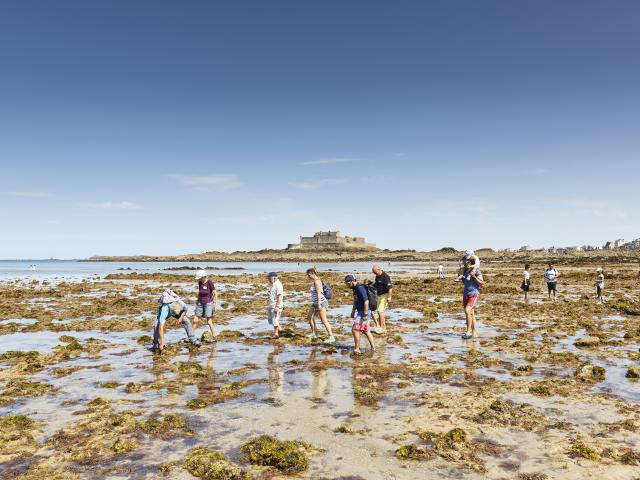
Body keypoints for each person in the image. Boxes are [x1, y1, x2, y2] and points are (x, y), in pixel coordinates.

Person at [152, 288, 199, 353]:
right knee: (156, 325)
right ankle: (155, 343)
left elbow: (185, 310)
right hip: (167, 311)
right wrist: (162, 342)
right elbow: (161, 327)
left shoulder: (181, 303)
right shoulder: (164, 309)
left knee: (186, 320)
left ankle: (193, 339)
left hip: (178, 310)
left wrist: (180, 318)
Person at [345, 274, 376, 354]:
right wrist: (353, 311)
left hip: (364, 312)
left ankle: (357, 349)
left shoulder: (360, 288)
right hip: (361, 312)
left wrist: (365, 314)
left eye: (348, 283)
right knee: (366, 331)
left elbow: (366, 301)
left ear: (353, 281)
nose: (347, 285)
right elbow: (356, 301)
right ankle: (373, 348)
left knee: (355, 329)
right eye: (346, 283)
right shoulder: (355, 289)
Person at [306, 267, 335, 343]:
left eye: (309, 275)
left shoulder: (317, 281)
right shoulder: (314, 281)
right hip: (315, 303)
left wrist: (319, 305)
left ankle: (331, 336)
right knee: (310, 317)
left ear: (313, 273)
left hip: (321, 303)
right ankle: (314, 333)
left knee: (324, 320)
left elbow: (319, 293)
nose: (308, 277)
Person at [461, 258, 484, 339]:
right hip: (465, 294)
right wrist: (461, 277)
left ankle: (468, 332)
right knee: (471, 313)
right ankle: (474, 332)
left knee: (467, 310)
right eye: (463, 261)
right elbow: (465, 283)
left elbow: (482, 283)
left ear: (470, 262)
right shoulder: (465, 270)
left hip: (474, 294)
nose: (464, 262)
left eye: (466, 261)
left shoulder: (476, 270)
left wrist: (474, 276)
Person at [193, 269, 217, 341]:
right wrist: (197, 300)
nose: (198, 279)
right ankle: (191, 336)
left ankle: (214, 336)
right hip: (200, 303)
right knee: (195, 320)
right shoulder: (200, 282)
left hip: (208, 304)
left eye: (199, 278)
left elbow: (215, 293)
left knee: (209, 321)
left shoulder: (209, 282)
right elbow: (200, 293)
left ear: (203, 276)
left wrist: (215, 305)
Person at [371, 265, 393, 334]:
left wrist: (389, 297)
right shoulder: (377, 276)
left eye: (375, 272)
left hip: (384, 296)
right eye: (373, 272)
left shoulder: (385, 276)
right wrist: (370, 284)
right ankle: (384, 328)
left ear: (379, 269)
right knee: (379, 312)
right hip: (379, 296)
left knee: (380, 311)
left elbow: (390, 288)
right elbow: (376, 284)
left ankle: (382, 328)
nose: (374, 273)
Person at [267, 272, 284, 338]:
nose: (268, 280)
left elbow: (280, 296)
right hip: (271, 305)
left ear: (275, 278)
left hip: (276, 306)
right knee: (271, 320)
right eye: (268, 278)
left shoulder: (278, 285)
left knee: (275, 320)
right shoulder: (273, 284)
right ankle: (281, 331)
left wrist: (277, 306)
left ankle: (276, 334)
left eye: (269, 278)